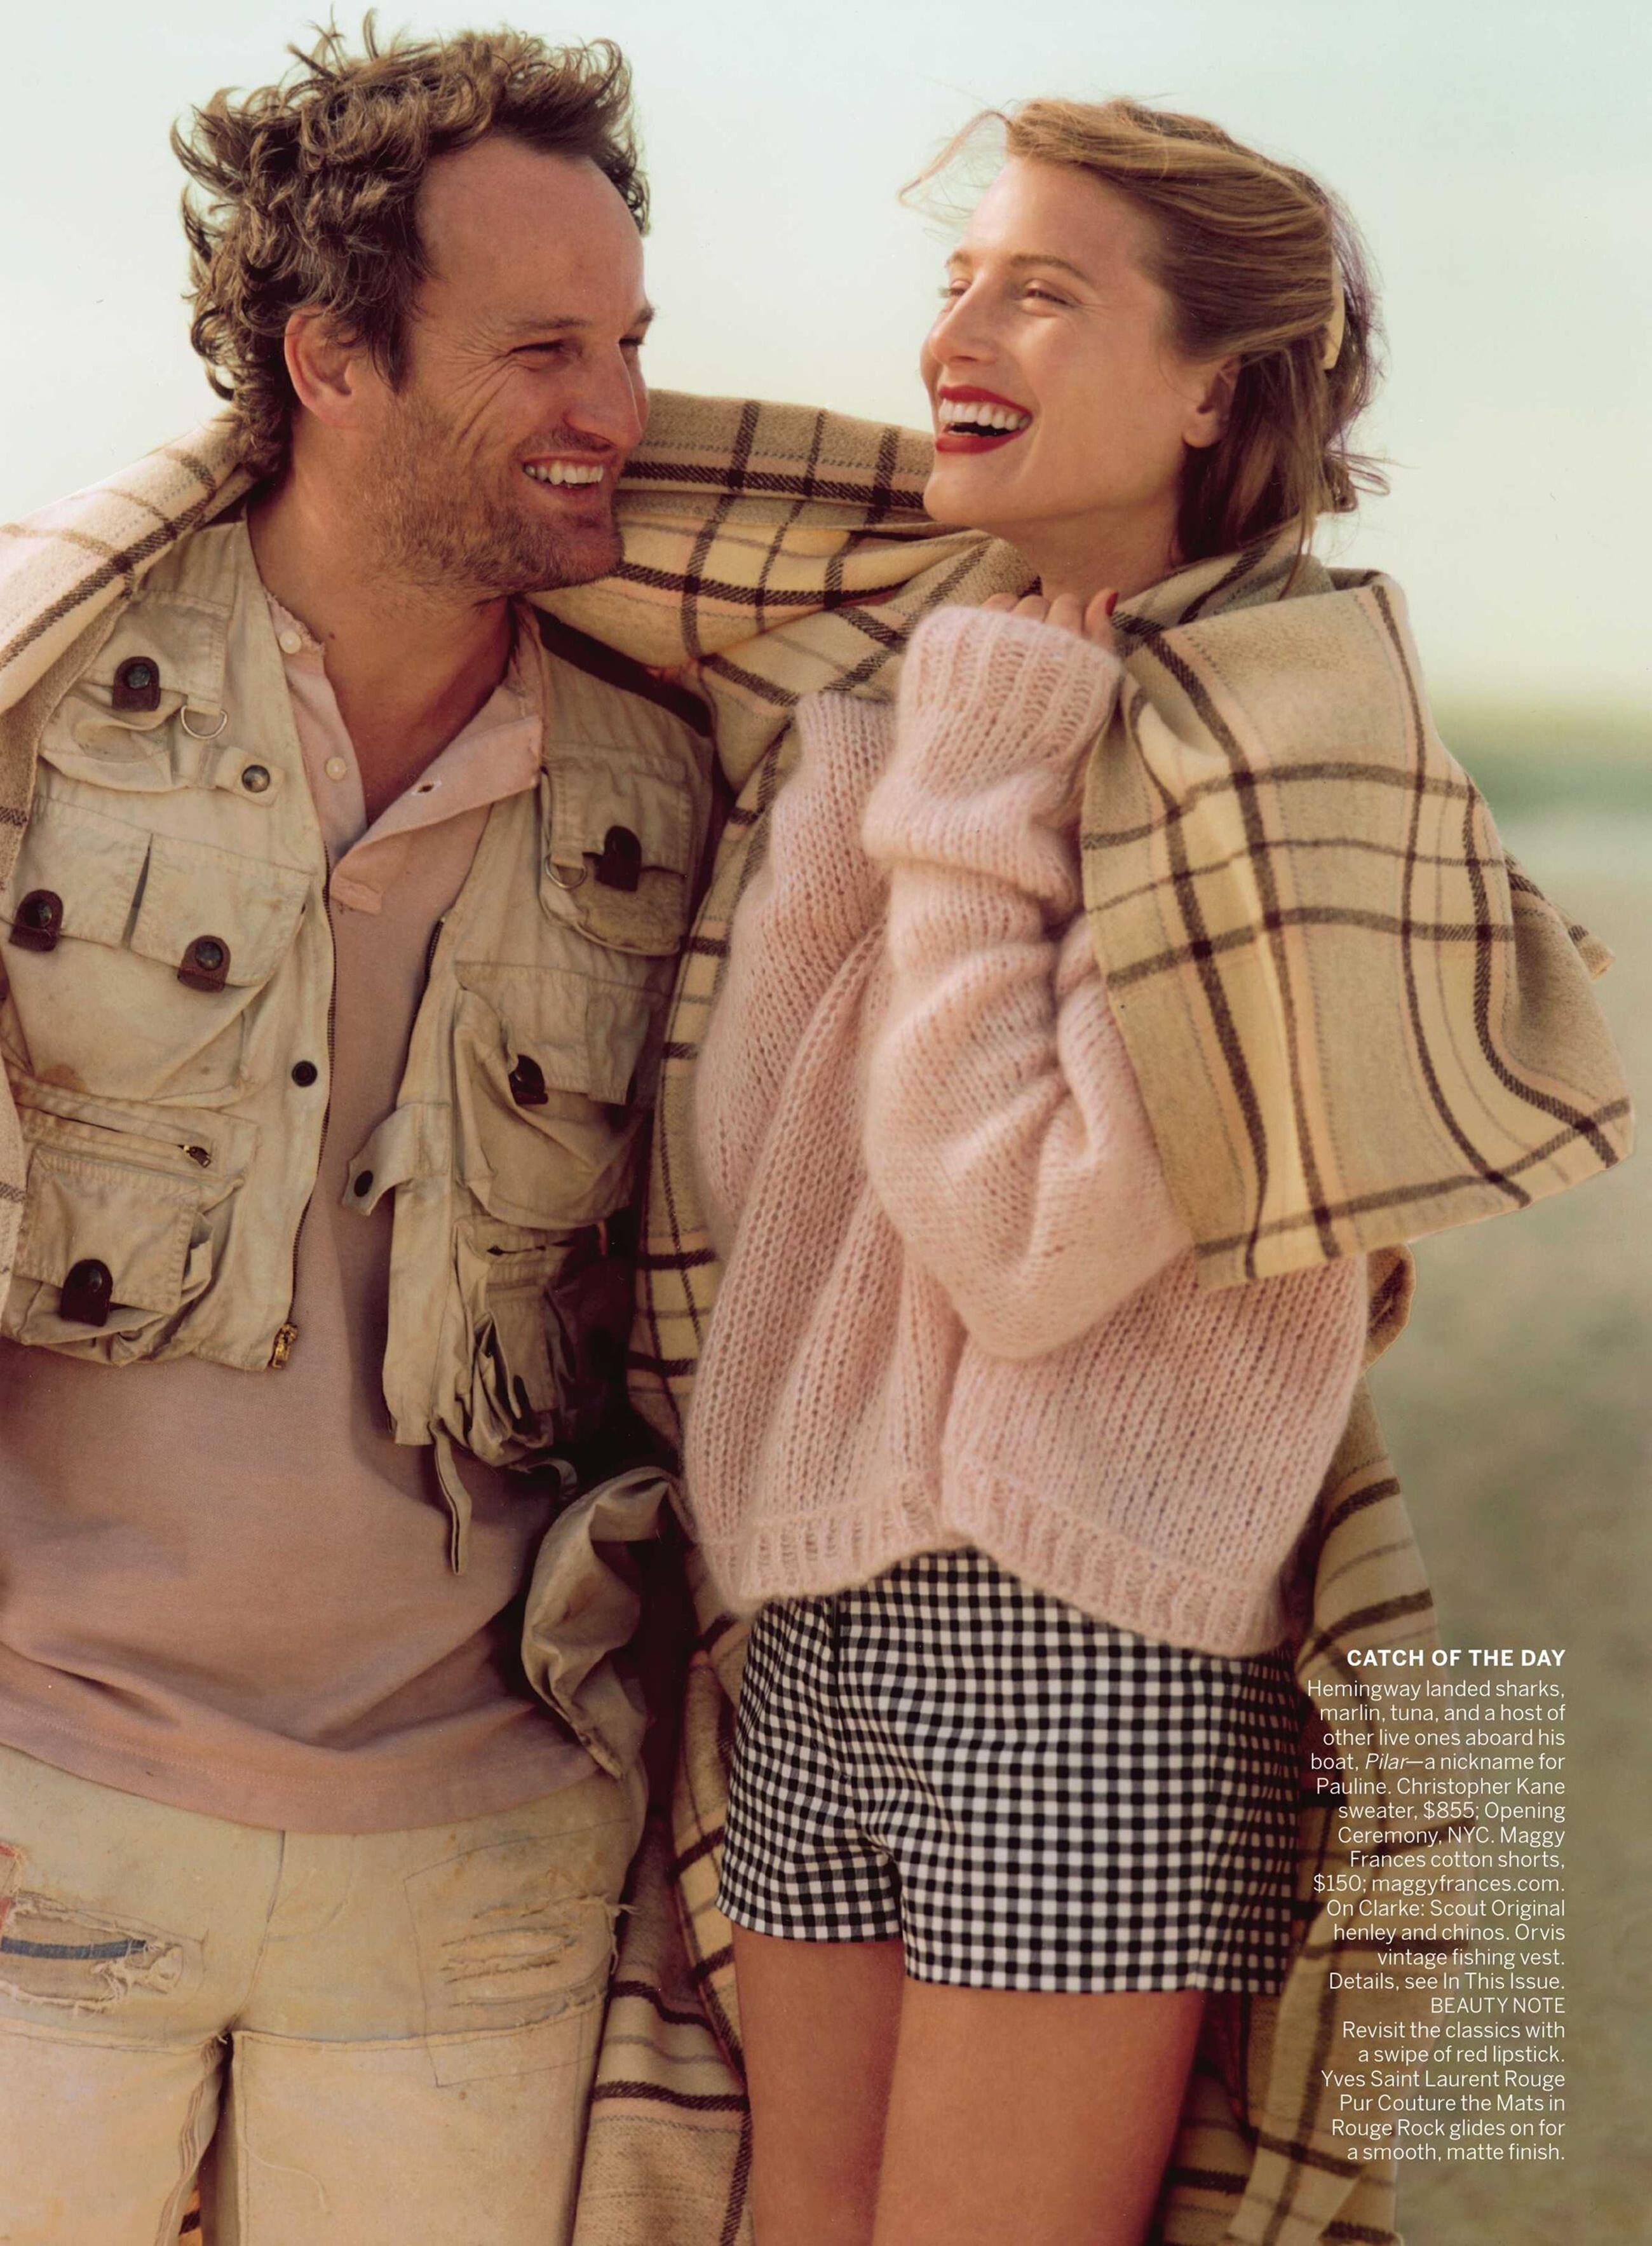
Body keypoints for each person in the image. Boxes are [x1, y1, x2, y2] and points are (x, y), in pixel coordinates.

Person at [674, 98, 1633, 2246]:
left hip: (1084, 1638)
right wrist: (898, 759)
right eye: (956, 281)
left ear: (1216, 387)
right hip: (814, 1601)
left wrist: (975, 782)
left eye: (1042, 291)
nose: (958, 332)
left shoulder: (1290, 748)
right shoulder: (952, 687)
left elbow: (1020, 1241)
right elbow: (776, 1175)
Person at [0, 27, 713, 2241]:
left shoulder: (671, 780)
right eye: (541, 348)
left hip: (473, 1868)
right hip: (40, 1802)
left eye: (627, 340)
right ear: (331, 359)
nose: (616, 406)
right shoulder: (39, 704)